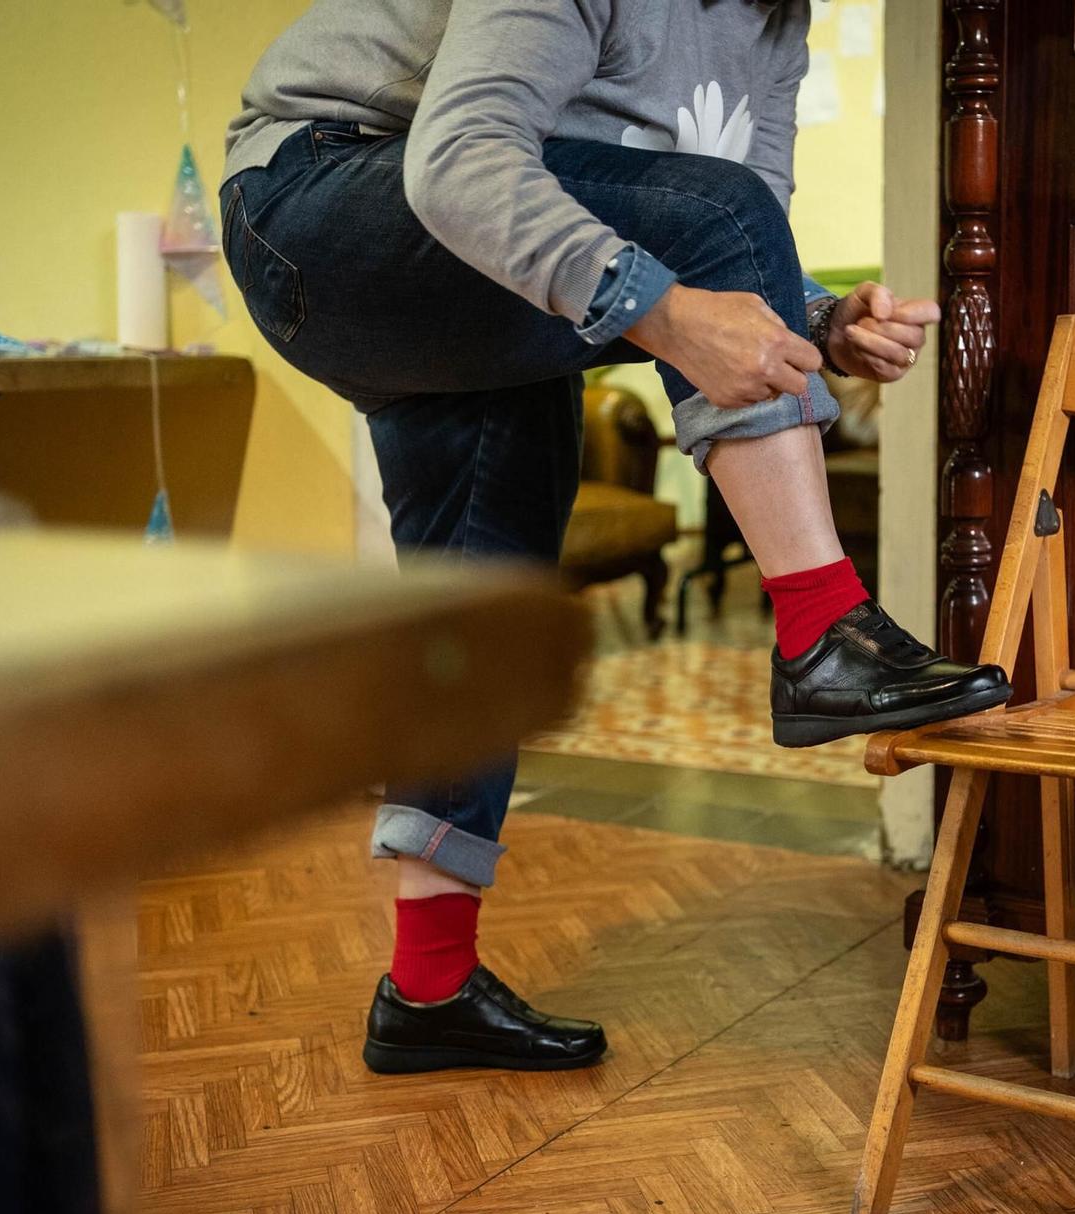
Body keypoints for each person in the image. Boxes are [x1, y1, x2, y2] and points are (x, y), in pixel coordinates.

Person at [222, 0, 1011, 1076]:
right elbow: (457, 163)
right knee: (710, 214)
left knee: (480, 599)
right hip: (321, 202)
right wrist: (671, 310)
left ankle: (428, 987)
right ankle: (822, 630)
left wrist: (814, 322)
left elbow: (741, 243)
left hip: (455, 246)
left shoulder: (778, 24)